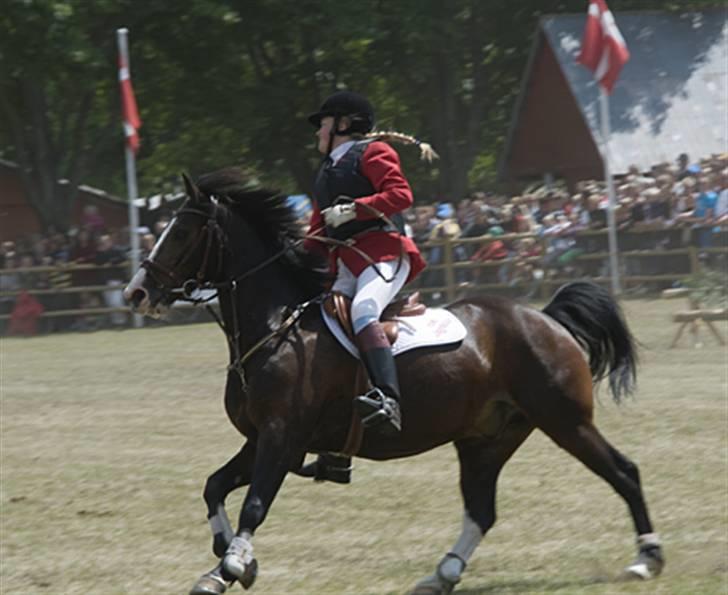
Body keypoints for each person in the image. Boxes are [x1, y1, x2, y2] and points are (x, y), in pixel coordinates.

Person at [303, 90, 428, 436]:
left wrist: (355, 209)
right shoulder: (325, 172)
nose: (317, 132)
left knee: (363, 311)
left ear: (343, 124)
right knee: (321, 321)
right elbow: (317, 230)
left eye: (323, 124)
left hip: (384, 254)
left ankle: (389, 399)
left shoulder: (373, 151)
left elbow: (401, 194)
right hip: (346, 264)